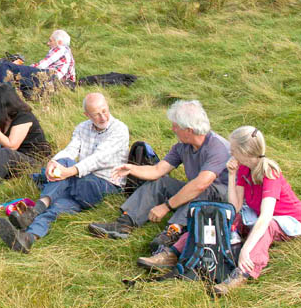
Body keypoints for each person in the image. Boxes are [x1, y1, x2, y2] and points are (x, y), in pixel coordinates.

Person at [137, 126, 301, 295]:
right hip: (256, 213)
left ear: (244, 151)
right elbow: (234, 207)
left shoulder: (270, 173)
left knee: (268, 227)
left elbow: (266, 218)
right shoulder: (243, 168)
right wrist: (231, 175)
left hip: (286, 220)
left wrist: (245, 250)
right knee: (220, 217)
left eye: (234, 148)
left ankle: (243, 272)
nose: (230, 151)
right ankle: (173, 253)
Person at [88, 100, 230, 254]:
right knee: (161, 183)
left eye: (176, 126)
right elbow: (157, 170)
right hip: (198, 191)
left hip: (222, 199)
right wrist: (132, 169)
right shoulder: (182, 146)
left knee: (203, 189)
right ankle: (124, 224)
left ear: (188, 130)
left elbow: (201, 184)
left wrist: (166, 206)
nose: (173, 129)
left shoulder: (218, 148)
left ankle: (173, 231)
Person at [0, 93, 129, 253]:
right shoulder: (82, 127)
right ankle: (29, 237)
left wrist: (68, 170)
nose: (103, 117)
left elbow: (97, 158)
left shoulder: (119, 129)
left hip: (106, 185)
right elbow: (71, 149)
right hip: (81, 182)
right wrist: (53, 163)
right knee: (56, 206)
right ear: (87, 115)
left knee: (65, 166)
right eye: (96, 114)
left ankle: (35, 209)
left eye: (105, 110)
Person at [0, 29, 76, 96]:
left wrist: (23, 67)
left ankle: (1, 95)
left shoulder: (61, 49)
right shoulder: (68, 53)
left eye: (50, 41)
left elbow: (41, 65)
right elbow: (72, 76)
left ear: (59, 42)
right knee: (16, 79)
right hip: (50, 80)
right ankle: (16, 93)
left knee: (6, 66)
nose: (48, 43)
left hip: (48, 75)